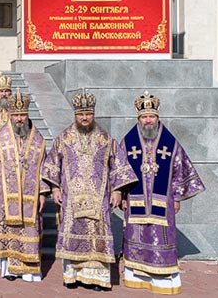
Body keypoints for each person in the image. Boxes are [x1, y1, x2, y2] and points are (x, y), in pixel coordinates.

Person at [41, 88, 137, 291]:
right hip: (71, 198)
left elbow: (118, 164)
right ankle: (72, 276)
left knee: (97, 237)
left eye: (88, 114)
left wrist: (117, 191)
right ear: (75, 114)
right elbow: (52, 164)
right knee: (72, 233)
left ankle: (97, 279)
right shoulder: (64, 138)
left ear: (93, 114)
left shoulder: (105, 139)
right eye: (80, 114)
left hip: (99, 199)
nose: (84, 118)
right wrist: (55, 188)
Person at [121, 91, 206, 295]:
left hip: (163, 201)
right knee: (136, 235)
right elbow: (120, 170)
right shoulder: (128, 141)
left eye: (151, 116)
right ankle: (136, 275)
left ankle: (163, 279)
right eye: (144, 117)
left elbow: (180, 168)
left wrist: (177, 196)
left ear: (157, 117)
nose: (148, 120)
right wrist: (123, 195)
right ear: (139, 118)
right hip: (135, 200)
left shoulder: (169, 141)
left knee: (161, 237)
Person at [0, 92, 49, 282]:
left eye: (22, 114)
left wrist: (42, 192)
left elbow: (44, 167)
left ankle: (30, 271)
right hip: (8, 194)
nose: (19, 119)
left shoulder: (38, 138)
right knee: (9, 228)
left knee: (30, 228)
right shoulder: (1, 136)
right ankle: (10, 270)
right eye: (15, 115)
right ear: (9, 114)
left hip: (30, 195)